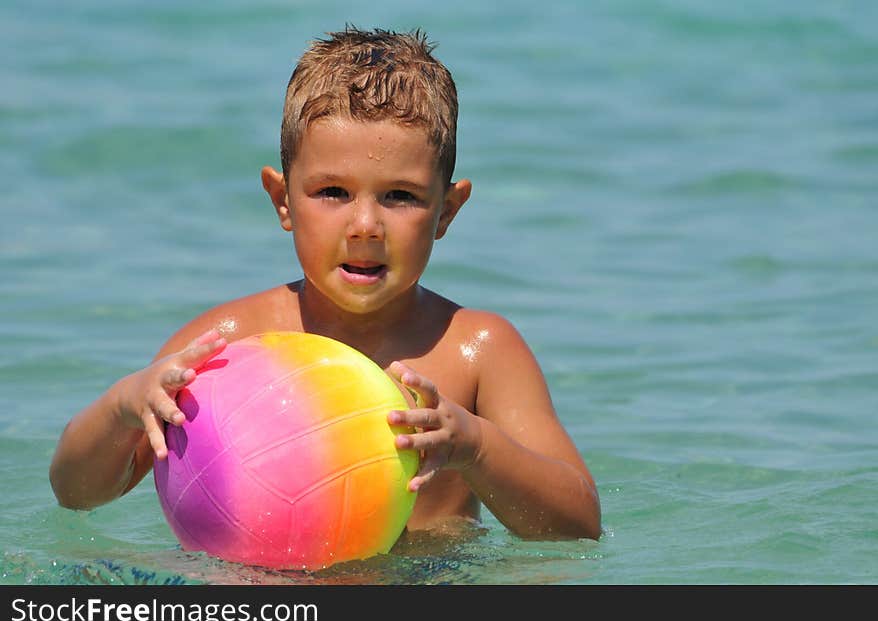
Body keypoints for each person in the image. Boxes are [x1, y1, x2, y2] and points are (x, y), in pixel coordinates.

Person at [49, 27, 601, 541]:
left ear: (447, 212)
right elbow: (76, 494)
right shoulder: (226, 346)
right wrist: (126, 404)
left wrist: (475, 448)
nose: (365, 226)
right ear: (282, 199)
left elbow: (579, 524)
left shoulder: (478, 350)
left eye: (400, 196)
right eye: (332, 192)